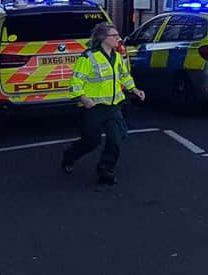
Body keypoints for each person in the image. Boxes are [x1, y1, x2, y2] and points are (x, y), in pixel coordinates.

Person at [61, 23, 145, 184]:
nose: (118, 39)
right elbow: (76, 81)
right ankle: (70, 156)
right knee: (91, 141)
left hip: (113, 107)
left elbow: (124, 75)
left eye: (118, 36)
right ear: (103, 39)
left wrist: (134, 89)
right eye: (114, 36)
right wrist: (83, 98)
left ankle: (105, 170)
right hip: (93, 108)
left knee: (115, 139)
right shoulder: (88, 57)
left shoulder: (117, 56)